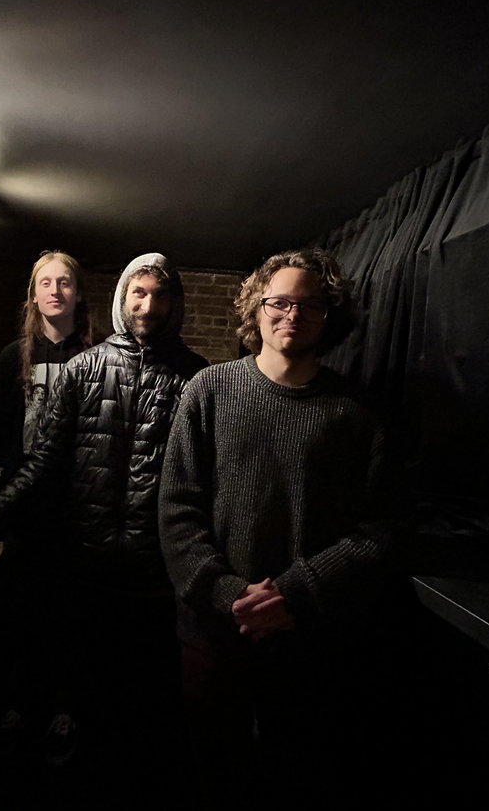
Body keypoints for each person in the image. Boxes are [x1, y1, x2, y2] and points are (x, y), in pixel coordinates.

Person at [158, 247, 407, 810]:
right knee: (212, 774)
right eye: (279, 302)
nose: (292, 314)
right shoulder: (208, 390)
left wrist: (294, 593)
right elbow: (176, 510)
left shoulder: (357, 411)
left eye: (309, 304)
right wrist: (228, 595)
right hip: (213, 632)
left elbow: (379, 528)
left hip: (309, 636)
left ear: (329, 314)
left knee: (297, 778)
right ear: (256, 307)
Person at [0, 251, 208, 781]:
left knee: (140, 702)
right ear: (122, 298)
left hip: (154, 575)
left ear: (175, 303)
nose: (149, 305)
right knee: (84, 679)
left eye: (160, 295)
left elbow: (205, 480)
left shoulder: (198, 379)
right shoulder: (83, 369)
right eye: (139, 292)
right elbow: (43, 462)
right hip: (84, 564)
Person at [0, 250, 93, 756]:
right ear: (33, 294)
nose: (54, 291)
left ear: (78, 293)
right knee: (20, 607)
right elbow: (2, 433)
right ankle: (20, 701)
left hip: (78, 505)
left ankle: (67, 706)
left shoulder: (95, 355)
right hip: (27, 506)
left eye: (64, 282)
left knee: (71, 610)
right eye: (45, 282)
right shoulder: (13, 357)